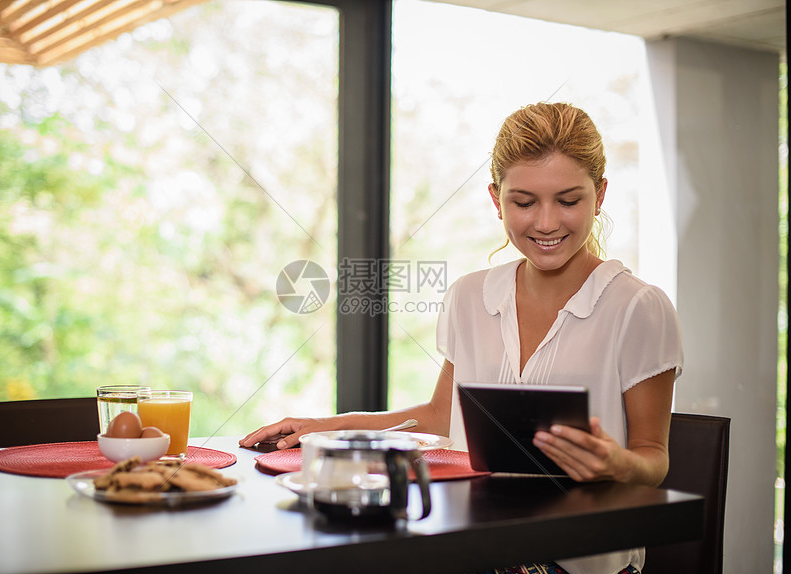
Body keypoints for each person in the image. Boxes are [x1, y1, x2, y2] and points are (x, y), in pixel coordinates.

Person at [240, 102, 683, 574]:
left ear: (600, 194)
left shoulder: (638, 307)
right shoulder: (470, 296)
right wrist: (328, 428)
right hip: (477, 544)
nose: (547, 222)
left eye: (569, 201)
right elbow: (440, 415)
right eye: (524, 202)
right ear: (496, 199)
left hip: (579, 558)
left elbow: (653, 458)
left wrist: (616, 465)